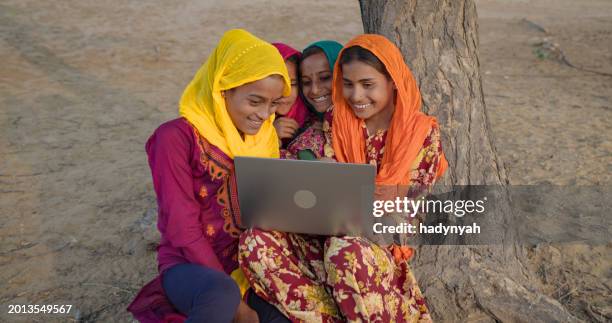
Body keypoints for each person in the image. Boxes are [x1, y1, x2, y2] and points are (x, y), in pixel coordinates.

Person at [239, 34, 448, 322]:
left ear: (392, 81)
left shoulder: (420, 135)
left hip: (374, 248)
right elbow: (300, 162)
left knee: (345, 249)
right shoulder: (338, 121)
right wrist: (316, 171)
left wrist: (354, 210)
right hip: (324, 233)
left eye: (367, 85)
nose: (356, 96)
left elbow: (409, 218)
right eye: (347, 85)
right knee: (255, 241)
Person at [127, 29, 292, 323]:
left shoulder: (264, 139)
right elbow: (181, 227)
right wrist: (240, 308)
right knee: (222, 296)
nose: (264, 115)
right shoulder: (176, 138)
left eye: (273, 104)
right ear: (222, 89)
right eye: (254, 101)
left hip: (249, 263)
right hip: (190, 266)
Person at [283, 40, 342, 160]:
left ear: (342, 75)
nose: (314, 90)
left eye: (324, 77)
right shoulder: (301, 125)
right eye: (306, 82)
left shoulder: (367, 126)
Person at [271, 43, 309, 148]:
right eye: (278, 84)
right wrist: (268, 135)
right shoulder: (251, 120)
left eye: (292, 84)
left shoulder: (313, 121)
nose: (285, 93)